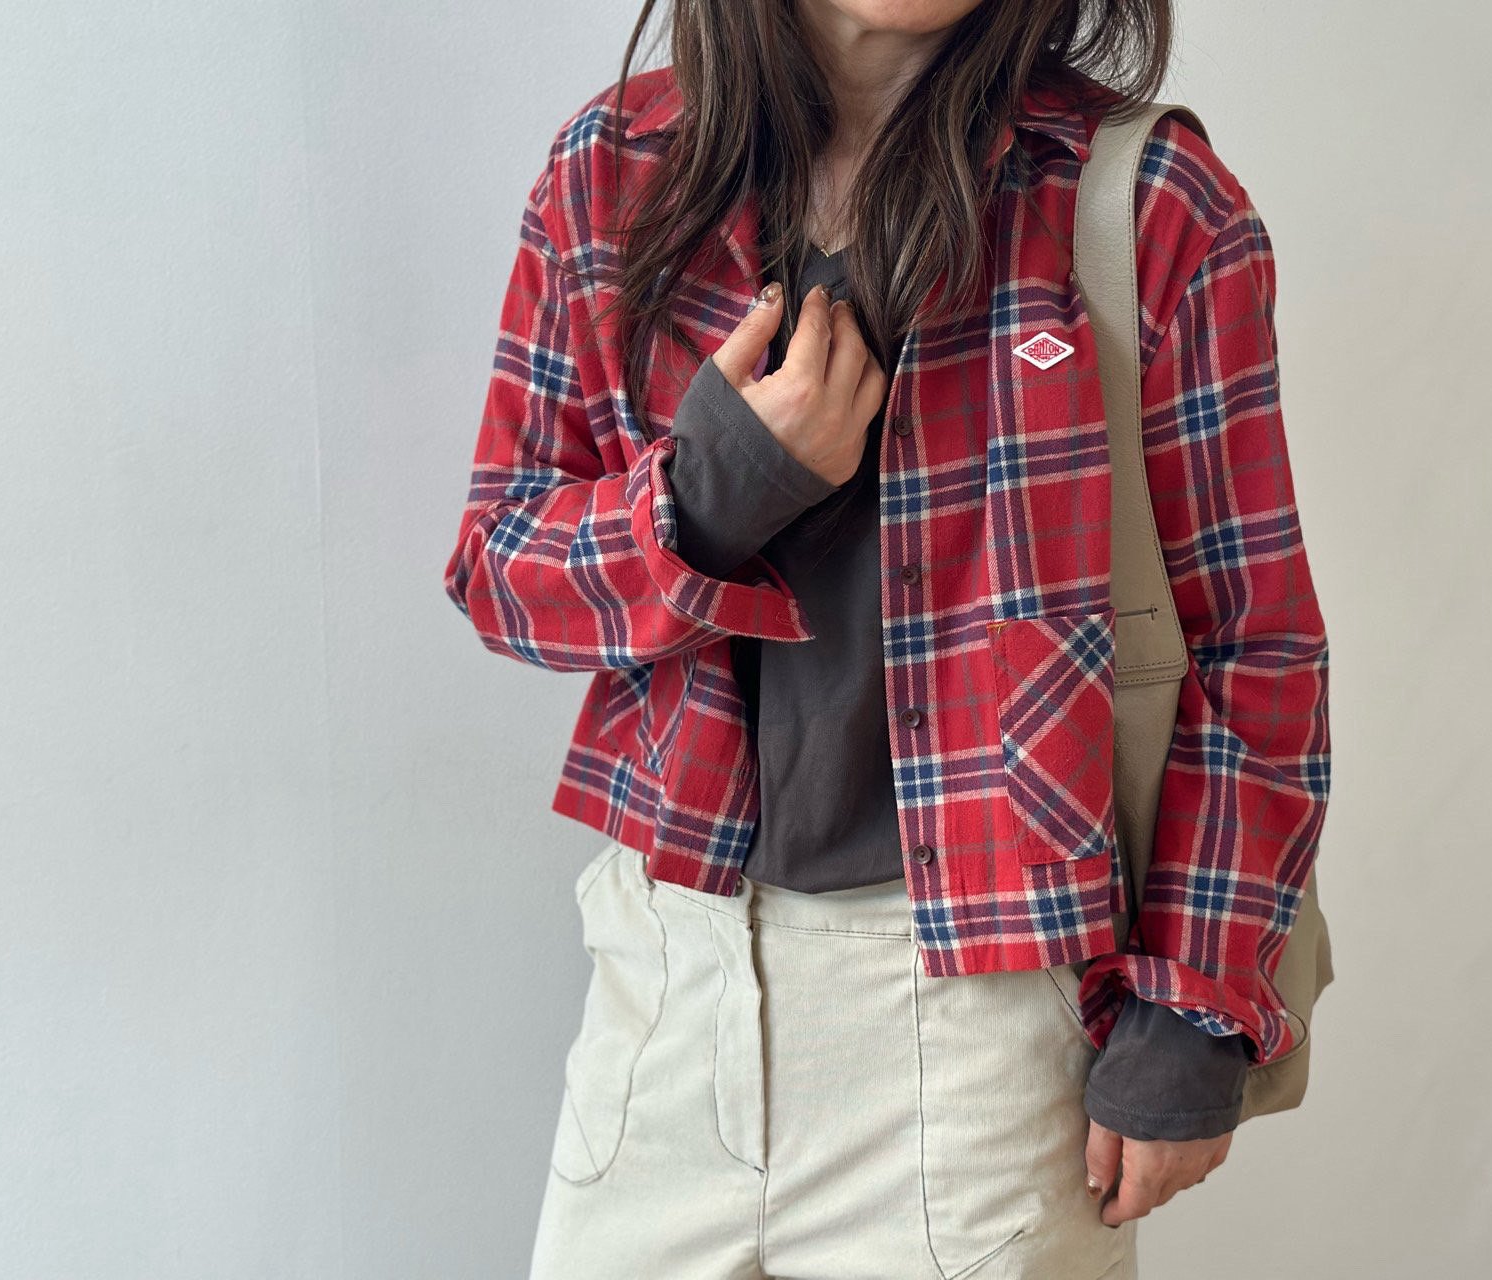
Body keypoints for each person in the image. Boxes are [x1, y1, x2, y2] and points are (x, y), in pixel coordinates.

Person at [443, 2, 1332, 1275]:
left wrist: (1194, 999)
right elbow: (499, 569)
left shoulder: (1144, 203)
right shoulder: (613, 173)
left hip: (985, 1042)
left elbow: (1254, 640)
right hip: (668, 994)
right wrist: (710, 494)